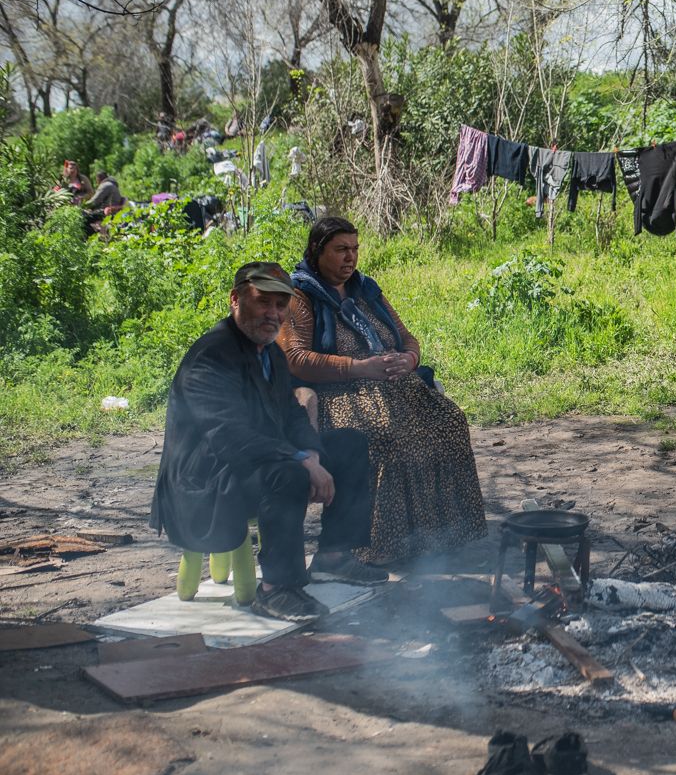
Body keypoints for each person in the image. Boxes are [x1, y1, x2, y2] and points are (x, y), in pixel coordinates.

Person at [150, 262, 386, 624]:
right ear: (235, 300)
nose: (273, 313)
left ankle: (334, 556)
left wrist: (311, 453)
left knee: (349, 444)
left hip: (250, 463)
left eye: (280, 304)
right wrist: (300, 461)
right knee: (287, 474)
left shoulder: (270, 352)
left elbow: (291, 414)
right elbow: (229, 437)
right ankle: (276, 589)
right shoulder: (212, 356)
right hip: (204, 480)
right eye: (263, 302)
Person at [278, 217, 488, 565]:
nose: (350, 257)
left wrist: (409, 359)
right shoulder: (300, 295)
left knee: (449, 420)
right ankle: (381, 544)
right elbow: (296, 358)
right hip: (339, 392)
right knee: (385, 433)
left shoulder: (365, 289)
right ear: (317, 250)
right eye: (341, 249)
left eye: (355, 249)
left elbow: (406, 337)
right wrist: (360, 367)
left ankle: (440, 534)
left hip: (394, 386)